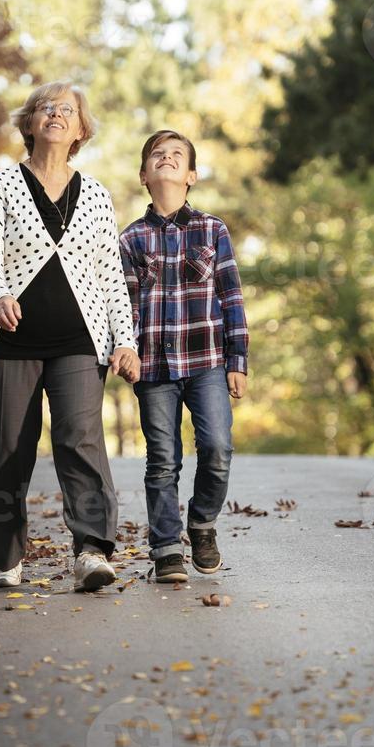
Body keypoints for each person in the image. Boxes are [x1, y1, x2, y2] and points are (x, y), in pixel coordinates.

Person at [0, 80, 141, 592]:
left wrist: (124, 340)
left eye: (68, 110)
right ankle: (2, 559)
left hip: (79, 342)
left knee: (80, 440)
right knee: (6, 447)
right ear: (29, 122)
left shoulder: (97, 195)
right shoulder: (0, 184)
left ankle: (92, 551)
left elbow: (110, 274)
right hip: (7, 339)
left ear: (81, 128)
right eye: (46, 107)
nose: (56, 114)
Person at [119, 130, 249, 583]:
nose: (168, 159)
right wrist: (126, 349)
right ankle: (167, 547)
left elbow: (231, 296)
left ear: (191, 175)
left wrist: (238, 360)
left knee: (216, 448)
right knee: (162, 459)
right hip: (153, 368)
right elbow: (126, 304)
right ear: (144, 174)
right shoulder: (131, 240)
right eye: (158, 155)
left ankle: (202, 523)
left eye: (178, 156)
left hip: (208, 361)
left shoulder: (212, 230)